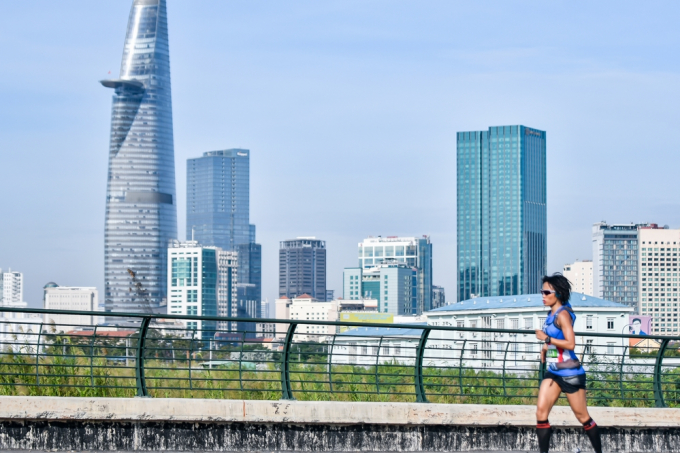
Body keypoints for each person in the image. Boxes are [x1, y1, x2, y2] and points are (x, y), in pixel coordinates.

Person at [534, 273, 602, 453]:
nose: (543, 295)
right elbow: (559, 342)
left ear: (557, 293)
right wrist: (546, 349)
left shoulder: (563, 315)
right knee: (541, 413)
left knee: (583, 417)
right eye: (542, 291)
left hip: (571, 373)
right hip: (554, 371)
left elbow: (571, 344)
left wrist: (546, 339)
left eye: (546, 292)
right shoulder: (552, 312)